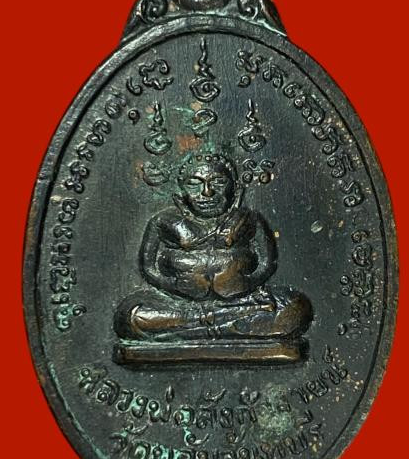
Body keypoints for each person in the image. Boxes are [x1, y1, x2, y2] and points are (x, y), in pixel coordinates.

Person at [114, 153, 312, 358]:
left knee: (295, 308)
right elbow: (148, 267)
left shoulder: (248, 219)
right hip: (183, 306)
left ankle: (194, 329)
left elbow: (267, 263)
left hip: (241, 302)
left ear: (234, 187)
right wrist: (173, 286)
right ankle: (222, 326)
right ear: (181, 191)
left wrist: (247, 286)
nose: (207, 192)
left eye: (218, 182)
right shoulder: (163, 221)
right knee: (130, 315)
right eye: (194, 184)